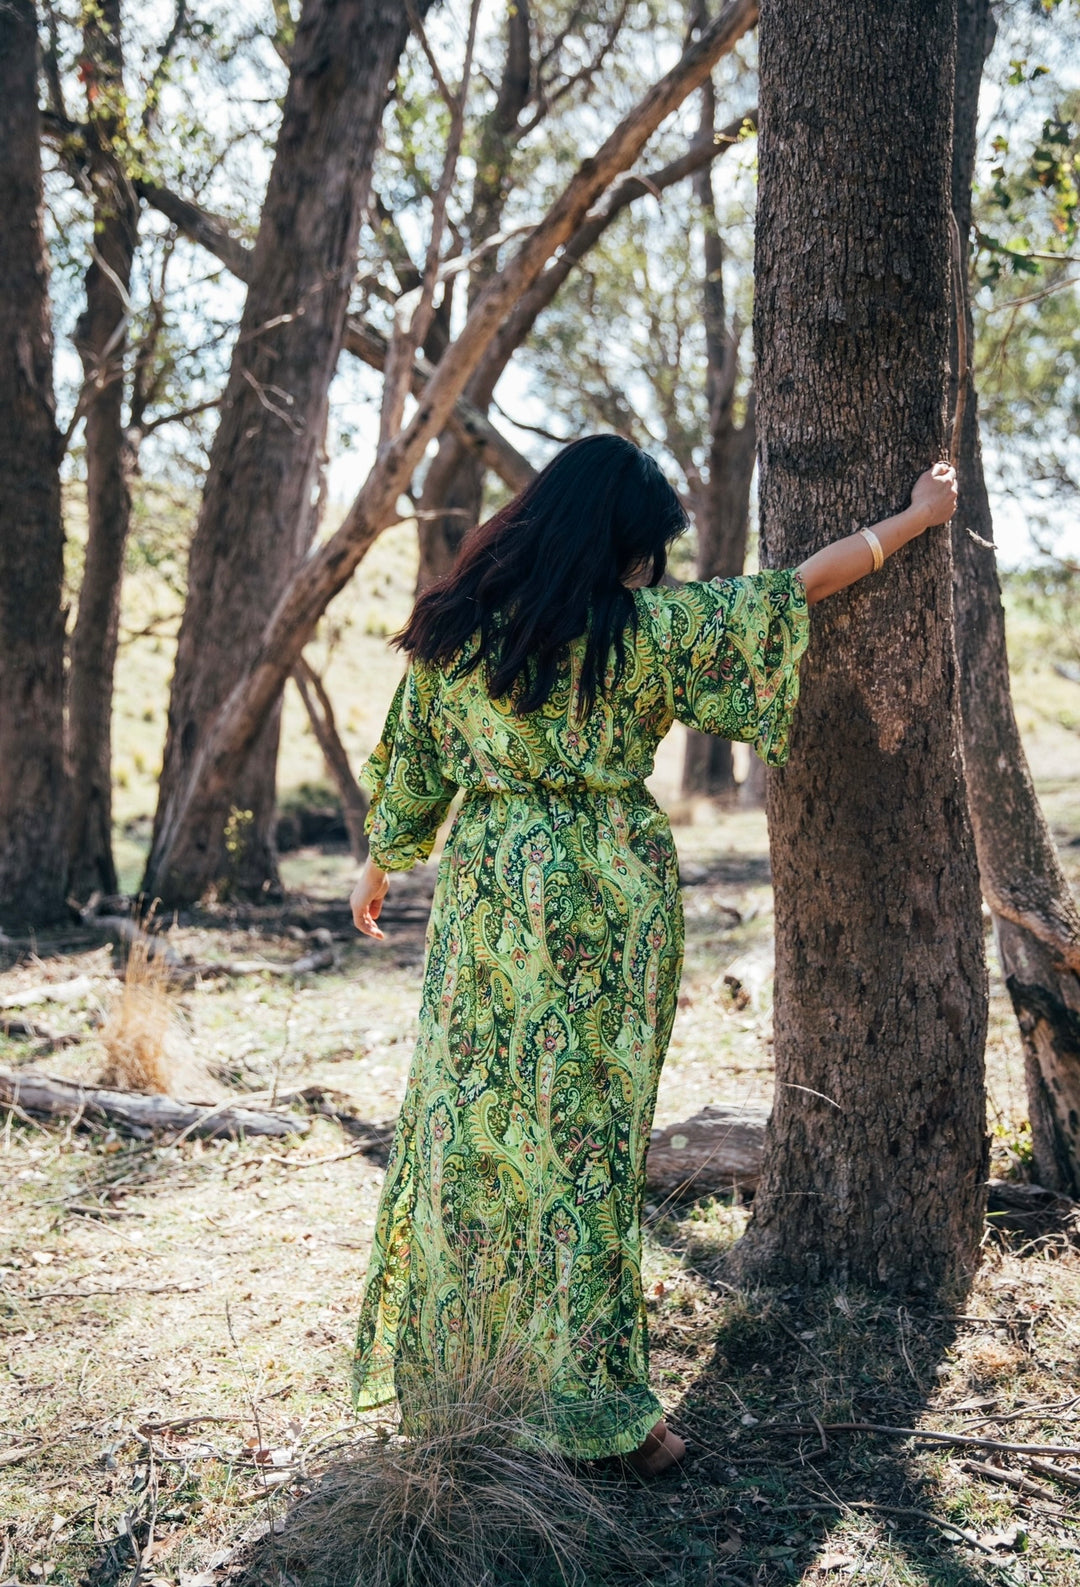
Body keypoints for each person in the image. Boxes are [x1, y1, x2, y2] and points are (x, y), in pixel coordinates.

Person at [349, 435, 958, 1478]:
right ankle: (606, 1413)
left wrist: (382, 860)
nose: (649, 570)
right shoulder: (646, 635)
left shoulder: (458, 631)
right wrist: (916, 518)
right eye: (643, 550)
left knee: (474, 1129)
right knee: (587, 1149)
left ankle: (469, 1377)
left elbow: (414, 763)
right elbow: (796, 588)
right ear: (614, 545)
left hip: (492, 890)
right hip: (609, 893)